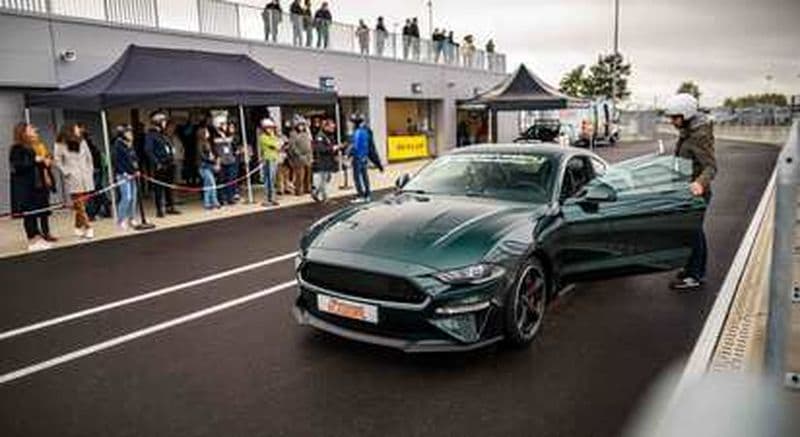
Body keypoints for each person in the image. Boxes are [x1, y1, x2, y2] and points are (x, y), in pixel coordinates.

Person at [664, 93, 717, 291]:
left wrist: (700, 184)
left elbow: (711, 167)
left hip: (697, 193)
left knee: (695, 232)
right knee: (689, 231)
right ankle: (689, 268)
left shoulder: (699, 136)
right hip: (684, 190)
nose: (672, 121)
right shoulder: (688, 131)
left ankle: (696, 275)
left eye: (675, 117)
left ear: (686, 115)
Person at [9, 123, 56, 250]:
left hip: (36, 186)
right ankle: (32, 240)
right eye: (30, 129)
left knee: (36, 212)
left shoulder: (30, 147)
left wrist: (44, 162)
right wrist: (35, 160)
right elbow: (18, 166)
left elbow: (37, 164)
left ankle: (38, 237)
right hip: (25, 188)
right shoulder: (17, 148)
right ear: (23, 132)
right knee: (29, 215)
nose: (34, 131)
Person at [54, 123, 95, 239]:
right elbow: (57, 160)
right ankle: (88, 227)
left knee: (82, 204)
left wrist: (90, 170)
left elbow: (89, 157)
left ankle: (77, 226)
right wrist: (67, 172)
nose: (79, 130)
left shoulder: (82, 142)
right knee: (80, 204)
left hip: (86, 176)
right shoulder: (60, 144)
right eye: (76, 128)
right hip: (73, 178)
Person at [144, 111, 181, 217]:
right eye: (163, 121)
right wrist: (157, 162)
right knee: (159, 188)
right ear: (157, 122)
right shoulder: (151, 135)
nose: (165, 124)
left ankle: (170, 206)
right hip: (160, 165)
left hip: (169, 163)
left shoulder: (162, 134)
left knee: (169, 186)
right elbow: (148, 150)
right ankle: (159, 209)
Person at [78, 123, 111, 221]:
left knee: (91, 192)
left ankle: (92, 213)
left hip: (91, 171)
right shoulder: (90, 144)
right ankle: (106, 207)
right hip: (96, 169)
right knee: (98, 190)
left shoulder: (83, 145)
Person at [348, 114, 383, 203]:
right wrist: (378, 163)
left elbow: (354, 146)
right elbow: (372, 148)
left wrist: (348, 154)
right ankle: (367, 194)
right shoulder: (367, 131)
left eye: (353, 122)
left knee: (357, 177)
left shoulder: (358, 132)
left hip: (358, 157)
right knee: (364, 176)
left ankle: (361, 195)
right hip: (364, 157)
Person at [112, 125, 139, 230]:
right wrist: (123, 172)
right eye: (128, 132)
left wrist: (136, 170)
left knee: (133, 197)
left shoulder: (129, 145)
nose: (131, 134)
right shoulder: (118, 145)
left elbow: (134, 159)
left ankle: (132, 218)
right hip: (123, 175)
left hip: (132, 174)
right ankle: (121, 220)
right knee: (126, 197)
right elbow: (116, 161)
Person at [210, 113, 238, 205]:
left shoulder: (228, 135)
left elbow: (233, 144)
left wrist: (231, 134)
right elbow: (215, 149)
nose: (226, 126)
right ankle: (221, 199)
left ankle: (230, 197)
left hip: (230, 160)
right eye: (224, 124)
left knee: (230, 180)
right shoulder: (214, 136)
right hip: (221, 161)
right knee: (221, 181)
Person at [311, 119, 339, 203]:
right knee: (324, 180)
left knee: (326, 180)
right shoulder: (320, 136)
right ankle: (324, 197)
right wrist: (332, 148)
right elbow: (320, 149)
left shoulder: (330, 136)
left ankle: (317, 193)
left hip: (329, 161)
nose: (333, 129)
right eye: (331, 127)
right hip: (322, 161)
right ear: (326, 127)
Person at [258, 118, 281, 206]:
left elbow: (279, 143)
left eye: (271, 128)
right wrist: (274, 139)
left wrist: (275, 139)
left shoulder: (273, 136)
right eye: (268, 128)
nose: (270, 130)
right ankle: (268, 199)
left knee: (273, 179)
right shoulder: (263, 137)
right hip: (268, 159)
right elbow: (275, 145)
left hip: (274, 159)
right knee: (269, 180)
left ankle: (273, 198)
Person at [287, 116, 313, 195]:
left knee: (308, 174)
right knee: (300, 175)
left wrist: (310, 155)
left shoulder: (305, 133)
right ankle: (299, 190)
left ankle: (307, 188)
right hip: (298, 158)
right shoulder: (293, 134)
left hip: (307, 156)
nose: (301, 127)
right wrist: (299, 154)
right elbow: (292, 146)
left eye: (302, 125)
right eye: (300, 125)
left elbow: (309, 144)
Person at [197, 126, 221, 210]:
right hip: (204, 166)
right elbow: (201, 155)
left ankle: (211, 202)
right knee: (211, 184)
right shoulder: (200, 143)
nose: (208, 133)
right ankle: (211, 202)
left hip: (209, 165)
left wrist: (214, 159)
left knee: (209, 184)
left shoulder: (207, 142)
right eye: (206, 131)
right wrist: (210, 159)